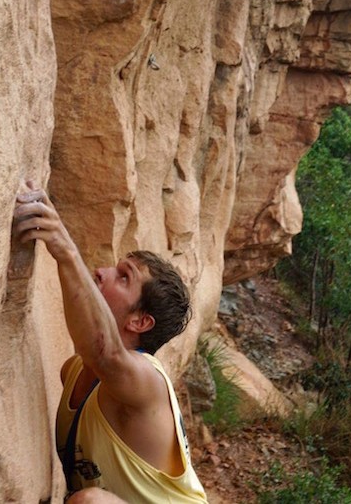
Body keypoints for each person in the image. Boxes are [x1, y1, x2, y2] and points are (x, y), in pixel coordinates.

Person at [13, 183, 208, 504]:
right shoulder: (73, 372)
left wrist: (65, 249)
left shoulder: (147, 382)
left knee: (90, 502)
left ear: (140, 321)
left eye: (123, 277)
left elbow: (105, 352)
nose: (101, 272)